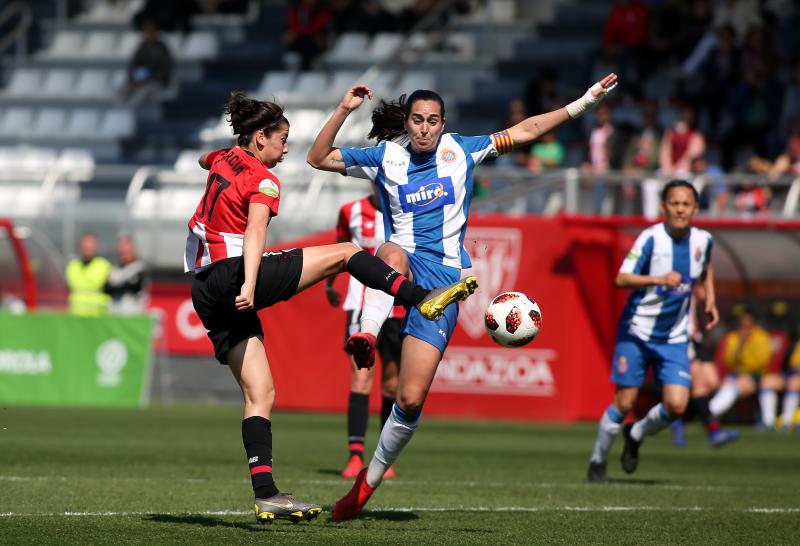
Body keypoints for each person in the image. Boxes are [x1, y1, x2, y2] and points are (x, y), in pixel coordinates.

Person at [307, 72, 618, 519]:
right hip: (402, 266)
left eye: (433, 120)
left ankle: (366, 484)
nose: (424, 128)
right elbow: (317, 158)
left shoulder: (461, 150)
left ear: (443, 123)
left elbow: (527, 130)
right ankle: (368, 335)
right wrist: (344, 110)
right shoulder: (385, 157)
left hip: (444, 286)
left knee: (410, 399)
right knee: (389, 251)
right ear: (408, 122)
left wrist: (585, 102)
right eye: (417, 120)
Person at [185, 91, 476, 524]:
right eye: (282, 140)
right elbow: (255, 234)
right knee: (344, 253)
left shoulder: (224, 158)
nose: (286, 151)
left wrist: (222, 160)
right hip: (234, 275)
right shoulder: (264, 180)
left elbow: (204, 161)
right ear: (260, 138)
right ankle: (421, 296)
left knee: (261, 393)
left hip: (203, 288)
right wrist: (249, 283)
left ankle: (266, 492)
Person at [587, 179, 719, 482]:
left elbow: (706, 266)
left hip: (674, 336)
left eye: (686, 204)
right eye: (675, 203)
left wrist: (709, 299)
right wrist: (659, 279)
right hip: (636, 330)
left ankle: (636, 434)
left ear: (695, 208)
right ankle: (597, 462)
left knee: (676, 405)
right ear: (663, 206)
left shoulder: (703, 240)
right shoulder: (651, 238)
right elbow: (622, 278)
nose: (680, 209)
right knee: (625, 402)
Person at [325, 193, 403, 479]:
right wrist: (331, 283)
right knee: (361, 377)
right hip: (359, 305)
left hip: (397, 306)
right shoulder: (351, 210)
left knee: (391, 384)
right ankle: (355, 457)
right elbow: (339, 247)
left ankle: (385, 459)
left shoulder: (407, 209)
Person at [708, 308, 775, 427]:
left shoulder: (761, 337)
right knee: (729, 383)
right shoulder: (732, 337)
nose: (745, 326)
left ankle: (709, 414)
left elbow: (761, 361)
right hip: (734, 374)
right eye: (743, 323)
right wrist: (740, 346)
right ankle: (709, 415)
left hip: (755, 375)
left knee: (739, 383)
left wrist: (745, 363)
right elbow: (729, 361)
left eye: (748, 323)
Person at [117, 19, 174, 107]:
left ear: (156, 32)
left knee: (141, 92)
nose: (149, 34)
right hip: (140, 79)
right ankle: (119, 112)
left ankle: (130, 112)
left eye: (152, 31)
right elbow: (133, 65)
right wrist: (134, 79)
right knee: (121, 89)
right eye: (147, 31)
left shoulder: (162, 49)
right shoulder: (142, 47)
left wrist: (144, 79)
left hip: (155, 81)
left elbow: (165, 70)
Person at [66, 232, 112, 316]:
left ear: (96, 246)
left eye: (91, 243)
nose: (88, 246)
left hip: (97, 316)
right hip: (76, 315)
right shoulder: (72, 266)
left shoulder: (104, 265)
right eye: (85, 243)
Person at [105, 236, 147, 314]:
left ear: (133, 249)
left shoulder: (139, 268)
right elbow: (106, 289)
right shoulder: (114, 269)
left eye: (126, 249)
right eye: (121, 249)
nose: (123, 252)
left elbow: (134, 287)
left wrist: (116, 285)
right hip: (114, 316)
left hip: (132, 317)